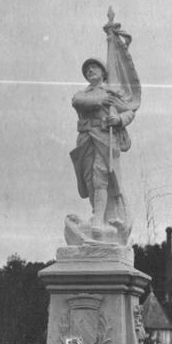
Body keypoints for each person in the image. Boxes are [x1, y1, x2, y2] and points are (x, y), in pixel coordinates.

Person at [70, 59, 136, 239]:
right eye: (87, 70)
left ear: (103, 72)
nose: (90, 70)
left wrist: (119, 120)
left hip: (105, 138)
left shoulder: (111, 93)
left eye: (94, 68)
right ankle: (98, 215)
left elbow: (129, 111)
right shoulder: (82, 94)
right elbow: (77, 101)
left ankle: (99, 219)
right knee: (89, 180)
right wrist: (100, 100)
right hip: (85, 140)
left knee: (101, 177)